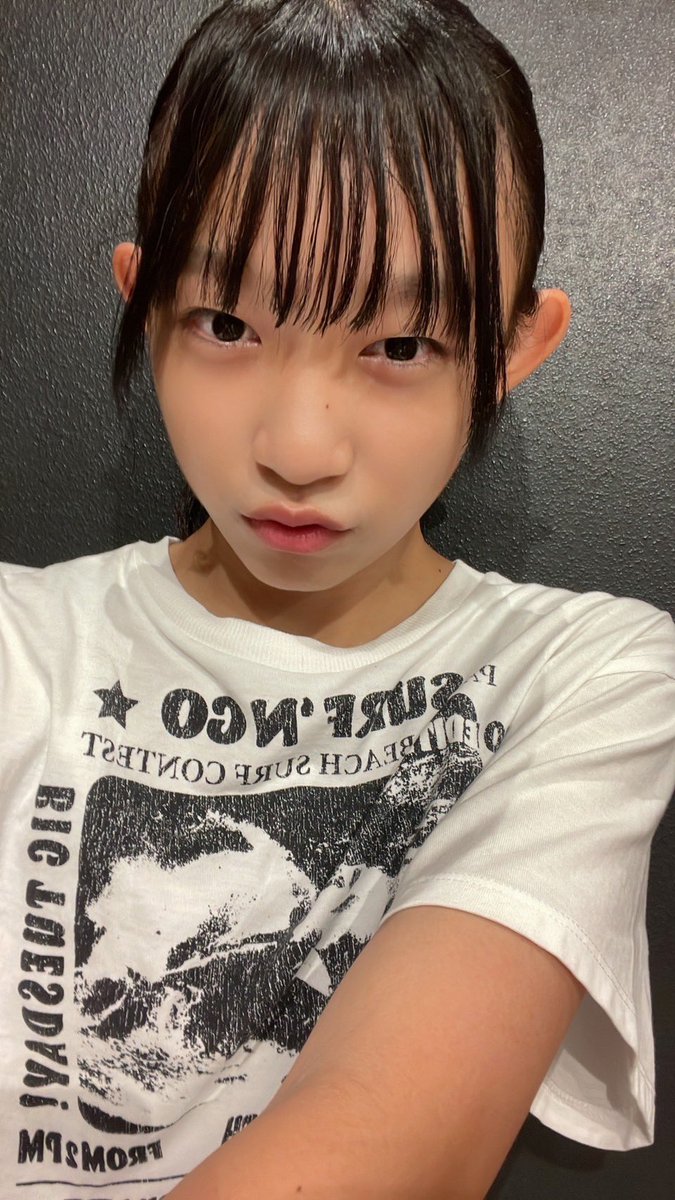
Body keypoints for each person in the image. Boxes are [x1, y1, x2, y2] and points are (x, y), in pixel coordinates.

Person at [1, 1, 673, 1197]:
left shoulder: (583, 677)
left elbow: (388, 1145)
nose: (300, 449)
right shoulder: (22, 644)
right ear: (144, 309)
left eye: (402, 346)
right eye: (225, 324)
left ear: (513, 348)